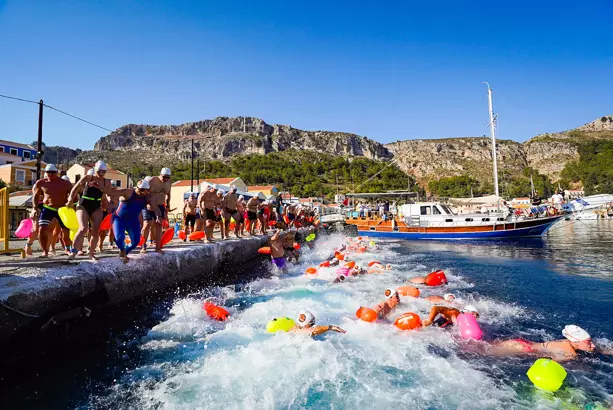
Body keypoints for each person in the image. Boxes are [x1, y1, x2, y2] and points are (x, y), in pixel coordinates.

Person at [66, 161, 115, 260]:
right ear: (95, 170)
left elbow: (111, 193)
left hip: (97, 205)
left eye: (103, 172)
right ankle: (73, 251)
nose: (101, 174)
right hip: (83, 204)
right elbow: (75, 188)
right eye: (99, 172)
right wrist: (70, 199)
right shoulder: (88, 178)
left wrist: (111, 203)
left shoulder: (107, 182)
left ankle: (91, 253)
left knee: (96, 231)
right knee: (83, 228)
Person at [487, 325, 611, 361]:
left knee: (486, 345)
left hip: (523, 343)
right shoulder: (570, 352)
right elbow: (553, 362)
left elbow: (599, 349)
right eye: (588, 342)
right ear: (577, 342)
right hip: (521, 348)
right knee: (483, 352)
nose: (593, 345)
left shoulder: (569, 342)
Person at [110, 179, 160, 263]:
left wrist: (158, 216)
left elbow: (155, 207)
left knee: (136, 241)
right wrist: (102, 189)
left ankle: (124, 252)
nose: (140, 192)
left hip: (133, 221)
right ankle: (122, 250)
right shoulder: (129, 192)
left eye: (142, 190)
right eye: (139, 189)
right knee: (119, 238)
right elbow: (113, 192)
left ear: (147, 190)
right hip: (119, 219)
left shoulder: (148, 197)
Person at [31, 164, 73, 258]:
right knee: (42, 229)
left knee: (65, 230)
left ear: (56, 172)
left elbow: (73, 194)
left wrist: (71, 203)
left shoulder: (65, 183)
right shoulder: (41, 182)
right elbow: (36, 196)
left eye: (53, 172)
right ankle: (45, 251)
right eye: (48, 172)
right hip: (48, 208)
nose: (50, 174)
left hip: (62, 209)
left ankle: (67, 248)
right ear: (45, 172)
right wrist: (34, 208)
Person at [141, 168, 172, 253]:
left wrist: (168, 205)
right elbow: (143, 192)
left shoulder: (169, 183)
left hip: (160, 205)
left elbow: (168, 195)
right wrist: (147, 203)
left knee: (159, 225)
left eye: (167, 177)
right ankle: (143, 246)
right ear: (160, 174)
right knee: (147, 224)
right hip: (149, 205)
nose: (165, 179)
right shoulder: (152, 180)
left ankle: (157, 247)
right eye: (164, 177)